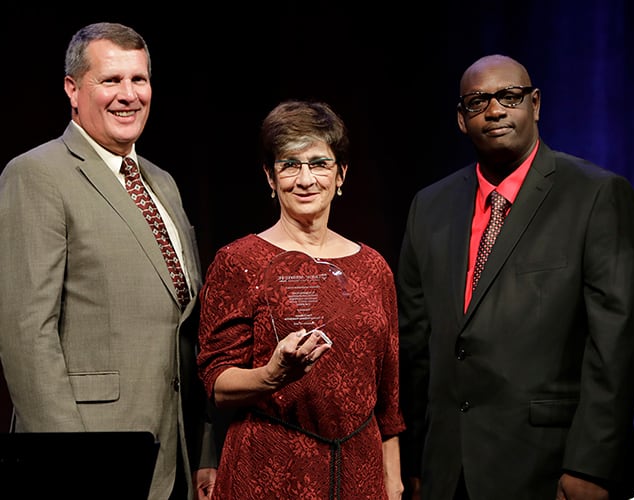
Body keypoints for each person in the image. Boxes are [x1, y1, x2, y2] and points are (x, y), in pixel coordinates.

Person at [397, 53, 634, 499]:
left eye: (509, 97)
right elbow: (414, 344)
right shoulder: (430, 206)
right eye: (478, 102)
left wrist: (591, 466)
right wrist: (414, 460)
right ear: (461, 119)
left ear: (535, 104)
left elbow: (618, 345)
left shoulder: (595, 194)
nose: (494, 110)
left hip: (553, 467)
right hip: (447, 470)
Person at [0, 22, 217, 500]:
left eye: (139, 79)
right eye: (111, 81)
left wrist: (206, 450)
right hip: (89, 455)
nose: (129, 95)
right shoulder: (37, 174)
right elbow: (26, 335)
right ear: (73, 90)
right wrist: (72, 464)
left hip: (172, 452)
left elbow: (188, 323)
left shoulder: (162, 183)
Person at [196, 99, 405, 500]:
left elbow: (389, 395)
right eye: (290, 164)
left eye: (319, 163)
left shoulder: (374, 267)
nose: (305, 178)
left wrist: (391, 479)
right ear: (270, 178)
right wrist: (271, 375)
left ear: (341, 174)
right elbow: (216, 383)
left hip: (359, 471)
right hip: (270, 466)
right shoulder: (238, 261)